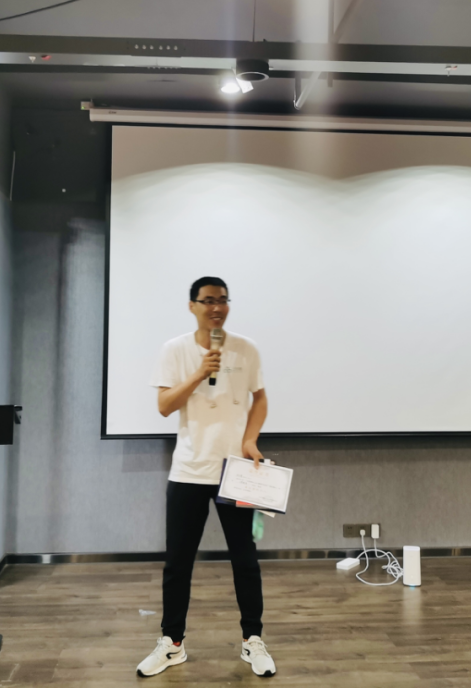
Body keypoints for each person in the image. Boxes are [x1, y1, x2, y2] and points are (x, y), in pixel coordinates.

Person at [136, 276, 276, 678]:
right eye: (208, 300)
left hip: (235, 471)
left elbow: (260, 399)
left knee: (245, 560)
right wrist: (199, 373)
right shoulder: (174, 350)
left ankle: (253, 640)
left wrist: (250, 440)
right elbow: (164, 405)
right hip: (189, 470)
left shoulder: (246, 349)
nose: (217, 307)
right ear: (192, 305)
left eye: (223, 300)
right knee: (178, 563)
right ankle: (172, 643)